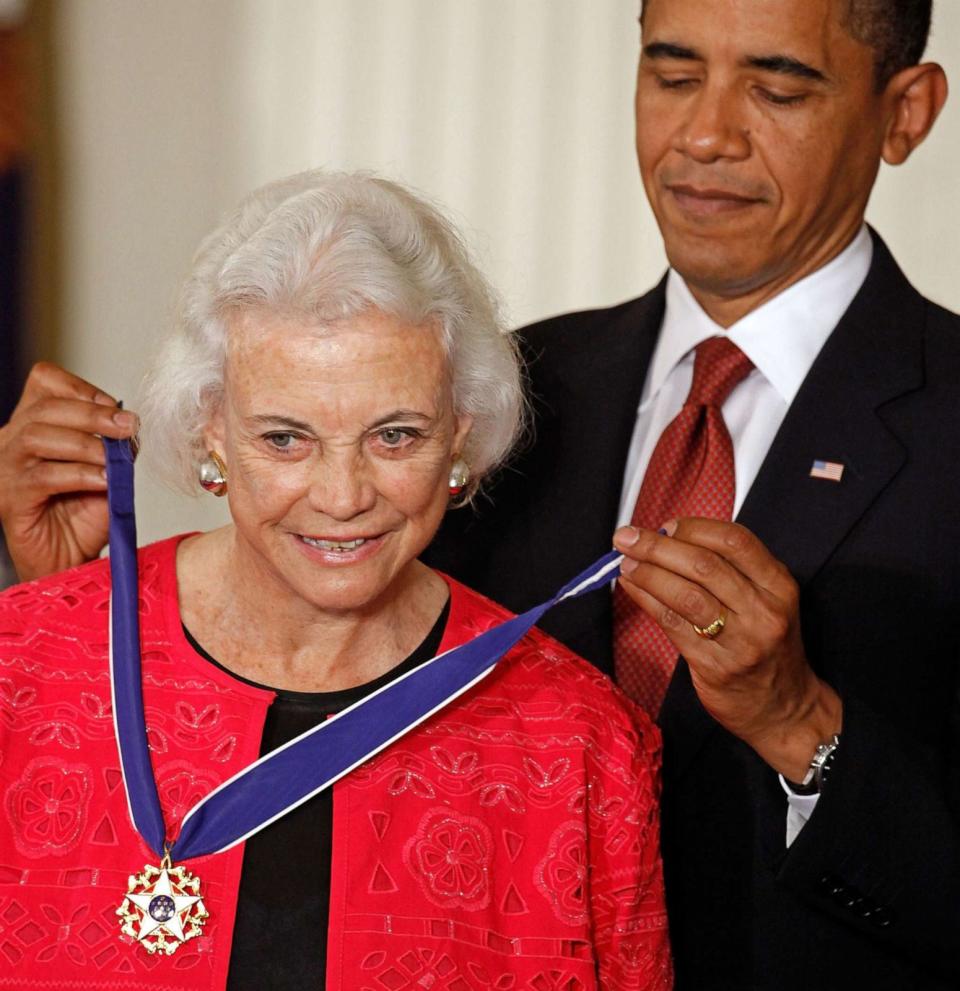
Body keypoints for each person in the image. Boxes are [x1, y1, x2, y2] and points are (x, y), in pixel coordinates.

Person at [1, 0, 958, 988]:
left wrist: (804, 726)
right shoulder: (509, 380)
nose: (706, 133)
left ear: (908, 111)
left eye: (777, 88)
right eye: (672, 77)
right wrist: (76, 629)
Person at [0, 171, 672, 990]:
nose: (343, 496)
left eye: (395, 435)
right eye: (285, 439)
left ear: (461, 432)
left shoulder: (579, 743)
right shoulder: (21, 664)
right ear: (211, 427)